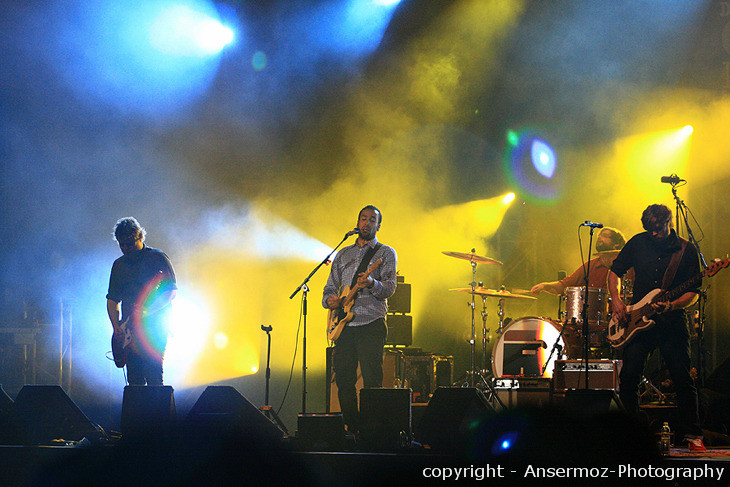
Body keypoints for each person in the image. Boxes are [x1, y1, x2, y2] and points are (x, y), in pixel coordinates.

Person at [608, 204, 705, 451]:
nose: (653, 234)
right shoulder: (638, 242)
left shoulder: (685, 249)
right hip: (638, 320)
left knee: (683, 378)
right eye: (649, 229)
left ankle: (693, 435)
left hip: (671, 322)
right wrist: (617, 300)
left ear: (669, 223)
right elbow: (614, 272)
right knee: (628, 377)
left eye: (658, 229)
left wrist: (672, 305)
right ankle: (632, 435)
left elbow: (693, 292)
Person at [323, 205, 397, 434]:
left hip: (370, 322)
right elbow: (329, 288)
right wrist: (330, 301)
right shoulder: (342, 254)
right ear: (357, 222)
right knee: (344, 381)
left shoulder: (385, 253)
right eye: (363, 219)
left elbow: (390, 288)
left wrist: (372, 283)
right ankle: (353, 428)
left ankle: (372, 430)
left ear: (378, 226)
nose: (366, 223)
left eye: (372, 220)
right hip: (344, 325)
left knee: (372, 380)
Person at [106, 217, 177, 386]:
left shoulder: (158, 258)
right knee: (134, 381)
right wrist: (116, 327)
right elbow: (112, 300)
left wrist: (148, 311)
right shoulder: (119, 265)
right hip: (130, 331)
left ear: (140, 236)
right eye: (121, 244)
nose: (125, 248)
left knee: (154, 376)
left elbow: (171, 292)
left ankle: (158, 412)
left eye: (129, 243)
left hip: (154, 328)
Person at [530, 226, 627, 296]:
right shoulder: (590, 266)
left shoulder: (629, 265)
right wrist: (545, 285)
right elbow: (566, 285)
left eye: (605, 235)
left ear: (616, 244)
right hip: (595, 321)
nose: (599, 237)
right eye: (599, 235)